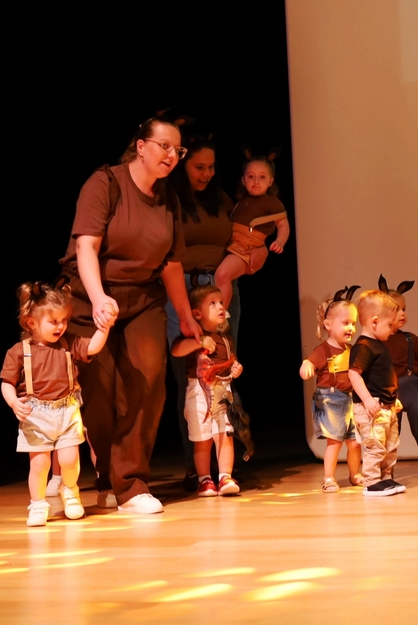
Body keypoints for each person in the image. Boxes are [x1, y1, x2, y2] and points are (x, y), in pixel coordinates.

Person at [60, 114, 199, 514]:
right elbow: (86, 247)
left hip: (143, 298)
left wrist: (185, 315)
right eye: (164, 146)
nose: (172, 155)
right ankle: (107, 477)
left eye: (178, 150)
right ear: (141, 146)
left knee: (147, 381)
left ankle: (132, 485)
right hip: (90, 296)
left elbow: (171, 263)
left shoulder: (168, 198)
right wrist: (99, 299)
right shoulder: (105, 183)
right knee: (99, 392)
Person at [165, 135, 242, 491]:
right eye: (199, 167)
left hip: (220, 288)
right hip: (183, 289)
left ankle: (226, 469)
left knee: (225, 366)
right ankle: (198, 469)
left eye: (211, 167)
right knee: (189, 377)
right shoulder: (172, 200)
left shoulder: (220, 198)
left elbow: (246, 236)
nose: (206, 173)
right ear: (183, 167)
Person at [0, 281, 110, 527]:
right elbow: (7, 383)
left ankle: (70, 492)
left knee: (69, 460)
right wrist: (13, 402)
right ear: (31, 323)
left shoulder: (68, 343)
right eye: (54, 321)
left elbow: (92, 346)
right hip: (35, 414)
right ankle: (38, 504)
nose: (61, 326)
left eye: (64, 320)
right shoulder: (19, 351)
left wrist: (104, 328)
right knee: (40, 464)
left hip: (67, 410)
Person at [171, 284, 243, 497]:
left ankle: (225, 476)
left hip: (222, 390)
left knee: (225, 434)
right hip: (199, 393)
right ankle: (204, 480)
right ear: (197, 313)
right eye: (212, 303)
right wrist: (199, 342)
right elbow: (176, 350)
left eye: (221, 302)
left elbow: (230, 361)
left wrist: (235, 368)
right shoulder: (195, 335)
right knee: (202, 439)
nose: (220, 306)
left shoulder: (226, 337)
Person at [299, 287, 363, 493]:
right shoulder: (323, 350)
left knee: (354, 443)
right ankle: (328, 478)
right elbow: (309, 362)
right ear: (328, 325)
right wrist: (306, 366)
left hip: (350, 400)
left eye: (353, 323)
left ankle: (355, 474)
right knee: (334, 443)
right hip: (331, 400)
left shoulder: (352, 350)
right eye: (346, 323)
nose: (351, 328)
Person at [381, 276, 418, 480]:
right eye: (397, 309)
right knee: (391, 433)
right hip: (390, 393)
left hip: (412, 389)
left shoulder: (409, 339)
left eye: (404, 309)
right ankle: (387, 470)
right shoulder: (378, 342)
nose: (402, 314)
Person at [212, 154, 289, 309]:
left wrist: (280, 241)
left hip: (245, 250)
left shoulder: (272, 202)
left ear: (271, 181)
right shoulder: (241, 202)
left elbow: (283, 225)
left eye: (262, 177)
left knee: (222, 275)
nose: (256, 181)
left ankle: (221, 315)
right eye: (251, 176)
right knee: (220, 276)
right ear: (243, 180)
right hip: (232, 247)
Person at [348, 289, 405, 497]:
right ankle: (372, 482)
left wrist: (393, 399)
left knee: (390, 446)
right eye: (389, 325)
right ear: (374, 322)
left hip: (387, 407)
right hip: (372, 409)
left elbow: (382, 376)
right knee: (376, 446)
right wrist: (367, 400)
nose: (392, 330)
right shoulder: (363, 346)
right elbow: (354, 374)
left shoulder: (379, 345)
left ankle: (385, 478)